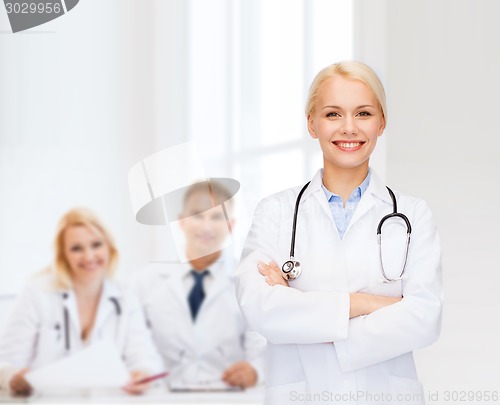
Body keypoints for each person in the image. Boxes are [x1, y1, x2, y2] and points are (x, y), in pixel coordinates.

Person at [235, 61, 443, 404]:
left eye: (363, 113)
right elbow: (259, 308)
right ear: (311, 124)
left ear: (381, 123)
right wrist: (368, 304)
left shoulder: (413, 215)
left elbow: (424, 319)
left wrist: (303, 315)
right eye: (333, 114)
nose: (349, 128)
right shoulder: (276, 212)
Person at [0, 208, 163, 396]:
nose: (89, 256)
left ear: (109, 247)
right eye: (76, 248)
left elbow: (144, 355)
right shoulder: (37, 293)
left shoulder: (125, 294)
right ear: (63, 255)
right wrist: (13, 378)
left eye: (96, 245)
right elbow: (5, 361)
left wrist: (142, 373)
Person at [134, 180, 265, 390]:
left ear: (230, 226)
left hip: (226, 398)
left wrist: (254, 372)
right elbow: (136, 344)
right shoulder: (145, 282)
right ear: (182, 221)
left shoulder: (249, 281)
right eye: (197, 215)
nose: (206, 226)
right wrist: (141, 371)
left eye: (216, 217)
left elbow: (261, 350)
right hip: (162, 398)